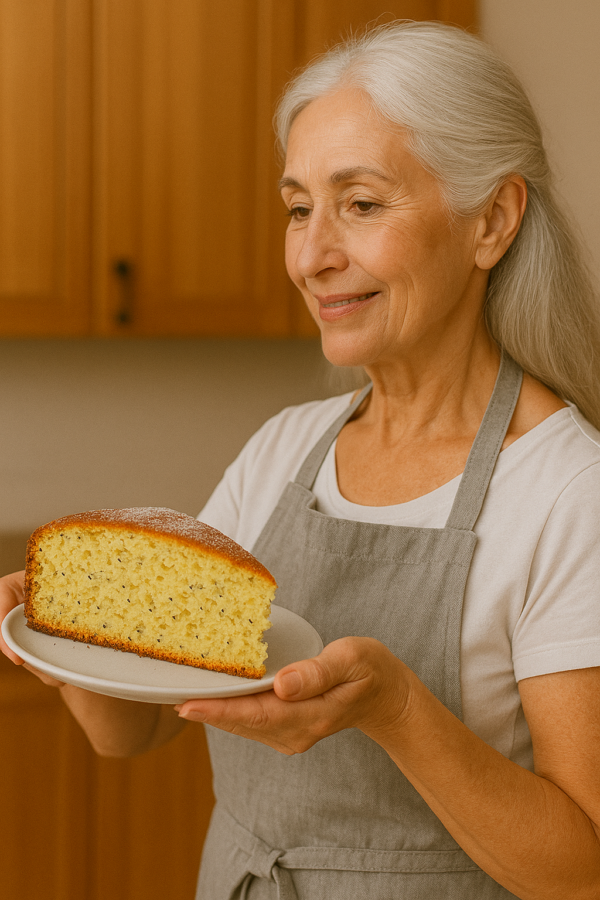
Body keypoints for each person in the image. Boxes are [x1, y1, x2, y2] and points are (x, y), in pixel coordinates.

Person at [2, 20, 600, 900]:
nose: (313, 255)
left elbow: (581, 867)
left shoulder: (566, 490)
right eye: (297, 207)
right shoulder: (286, 448)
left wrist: (395, 709)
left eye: (361, 204)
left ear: (492, 221)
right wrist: (60, 643)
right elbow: (131, 735)